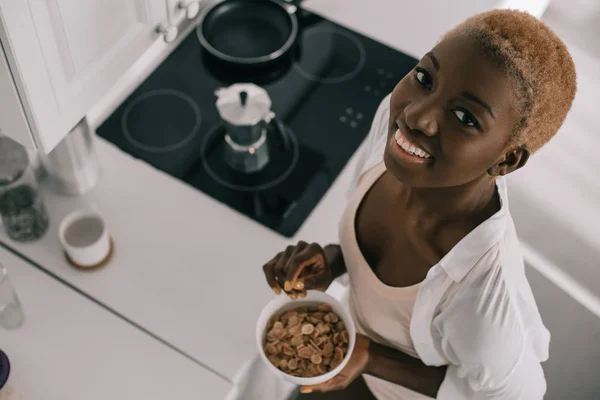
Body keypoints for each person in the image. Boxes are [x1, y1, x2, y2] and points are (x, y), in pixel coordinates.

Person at [261, 9, 577, 400]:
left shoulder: (482, 294)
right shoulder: (394, 134)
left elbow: (515, 396)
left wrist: (372, 359)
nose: (414, 115)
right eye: (425, 79)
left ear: (506, 160)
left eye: (464, 117)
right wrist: (333, 259)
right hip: (347, 365)